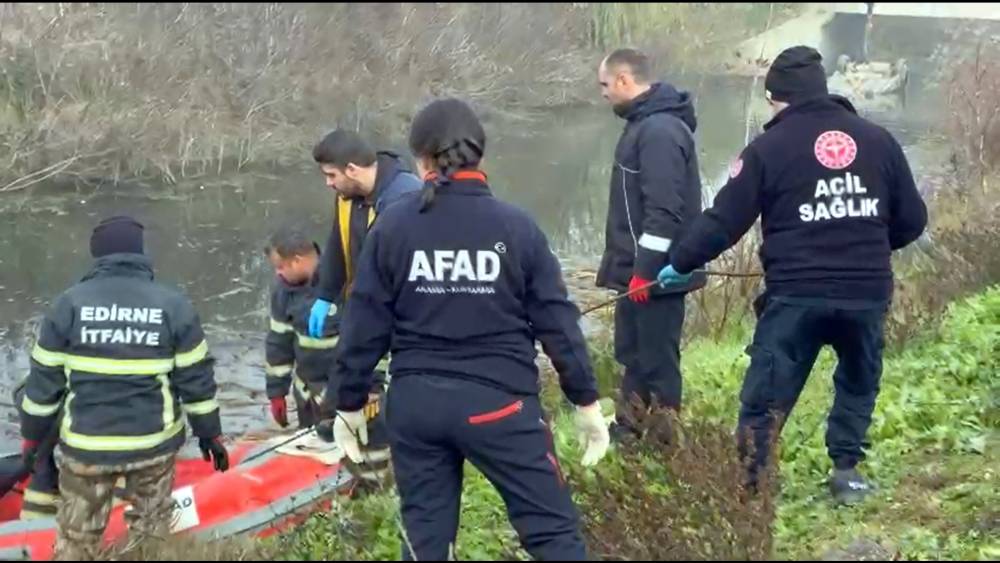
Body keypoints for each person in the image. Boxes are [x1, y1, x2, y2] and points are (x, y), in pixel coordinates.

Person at [328, 98, 610, 560]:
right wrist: (585, 400)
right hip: (499, 406)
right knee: (552, 534)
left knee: (426, 542)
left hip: (417, 407)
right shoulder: (516, 227)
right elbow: (557, 322)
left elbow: (363, 322)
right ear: (480, 155)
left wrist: (348, 402)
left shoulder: (393, 226)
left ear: (421, 160)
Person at [658, 46, 928, 504]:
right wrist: (867, 248)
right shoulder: (880, 141)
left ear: (777, 98)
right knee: (858, 379)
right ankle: (847, 471)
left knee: (767, 390)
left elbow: (724, 221)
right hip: (866, 292)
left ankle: (752, 481)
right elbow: (912, 220)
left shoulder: (767, 148)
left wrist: (680, 262)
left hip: (797, 294)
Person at [19, 216, 229, 559]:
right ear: (141, 253)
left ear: (96, 255)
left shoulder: (67, 305)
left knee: (77, 536)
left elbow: (43, 386)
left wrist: (31, 437)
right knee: (151, 529)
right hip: (153, 444)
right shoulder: (173, 306)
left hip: (87, 447)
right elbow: (197, 383)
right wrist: (211, 435)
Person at [595, 48, 706, 437]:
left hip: (657, 274)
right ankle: (627, 429)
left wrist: (645, 272)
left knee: (658, 359)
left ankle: (664, 442)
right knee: (634, 354)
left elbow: (664, 210)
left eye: (605, 85)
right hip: (638, 272)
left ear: (625, 80)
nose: (604, 93)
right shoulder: (643, 124)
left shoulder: (659, 131)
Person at [306, 130, 423, 338]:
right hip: (363, 309)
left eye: (331, 175)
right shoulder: (347, 195)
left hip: (397, 318)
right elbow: (337, 246)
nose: (328, 183)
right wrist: (325, 294)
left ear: (351, 170)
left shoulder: (405, 199)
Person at [264, 228, 338, 429]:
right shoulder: (282, 293)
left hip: (346, 393)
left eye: (280, 267)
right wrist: (277, 393)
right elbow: (279, 345)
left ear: (296, 261)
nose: (277, 273)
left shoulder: (341, 279)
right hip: (308, 397)